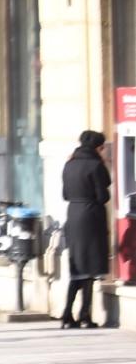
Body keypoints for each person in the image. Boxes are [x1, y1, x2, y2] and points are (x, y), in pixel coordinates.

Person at [60, 130, 111, 329]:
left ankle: (68, 314)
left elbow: (65, 194)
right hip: (91, 217)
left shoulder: (69, 163)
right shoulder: (96, 165)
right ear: (98, 147)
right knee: (89, 270)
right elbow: (103, 197)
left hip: (73, 215)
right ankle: (84, 315)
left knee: (78, 269)